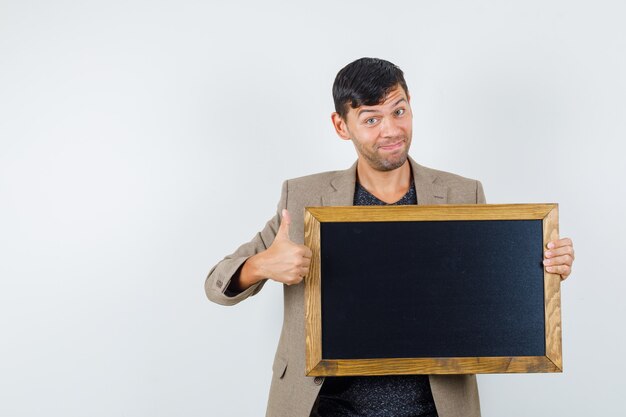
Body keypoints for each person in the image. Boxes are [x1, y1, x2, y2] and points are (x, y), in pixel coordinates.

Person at [205, 57, 575, 417]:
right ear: (341, 125)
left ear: (410, 105)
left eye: (398, 111)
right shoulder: (302, 198)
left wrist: (539, 267)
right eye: (371, 119)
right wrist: (261, 265)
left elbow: (486, 293)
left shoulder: (463, 194)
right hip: (325, 408)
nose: (391, 130)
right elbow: (215, 285)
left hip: (433, 408)